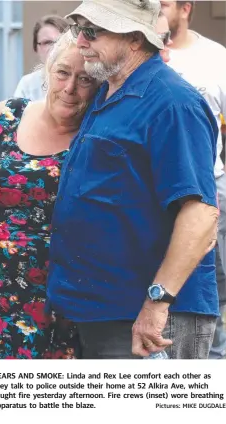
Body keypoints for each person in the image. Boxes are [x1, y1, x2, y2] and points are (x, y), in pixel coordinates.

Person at [47, 0, 219, 359]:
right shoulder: (108, 89)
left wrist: (156, 303)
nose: (80, 41)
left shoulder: (173, 102)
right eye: (79, 30)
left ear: (136, 39)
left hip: (149, 317)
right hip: (101, 310)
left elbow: (200, 216)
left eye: (93, 31)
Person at [0, 31, 98, 359]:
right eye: (63, 73)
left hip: (53, 303)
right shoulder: (5, 115)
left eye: (84, 79)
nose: (70, 87)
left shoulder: (96, 135)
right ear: (46, 72)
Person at [160, 0, 226, 359]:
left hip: (206, 189)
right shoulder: (146, 54)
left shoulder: (215, 58)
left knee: (206, 285)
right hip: (152, 193)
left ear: (186, 7)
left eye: (164, 3)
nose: (156, 7)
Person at [13, 15, 69, 101]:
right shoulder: (27, 84)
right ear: (35, 48)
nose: (55, 47)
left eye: (60, 41)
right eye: (47, 42)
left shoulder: (81, 81)